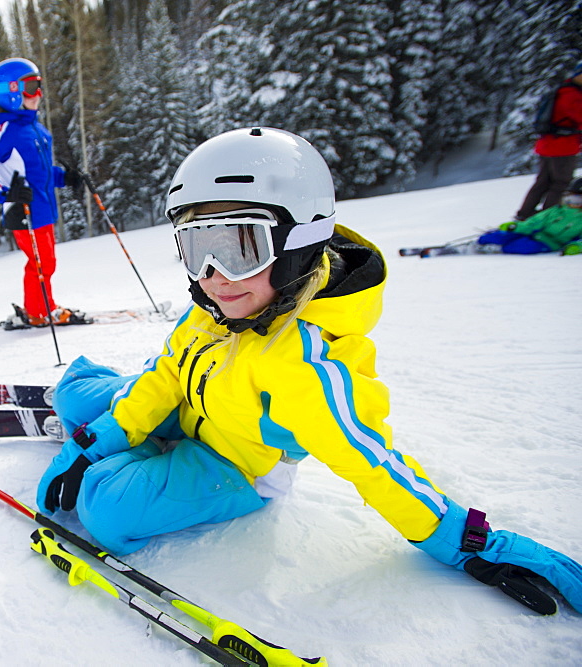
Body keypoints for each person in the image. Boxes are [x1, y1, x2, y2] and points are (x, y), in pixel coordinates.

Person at [36, 127, 582, 615]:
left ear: (299, 243)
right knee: (77, 398)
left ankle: (141, 451)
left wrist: (472, 544)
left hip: (234, 464)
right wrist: (95, 441)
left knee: (104, 508)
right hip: (191, 410)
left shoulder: (307, 368)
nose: (216, 276)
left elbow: (373, 463)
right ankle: (117, 423)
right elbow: (168, 373)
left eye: (241, 246)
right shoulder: (221, 307)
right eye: (198, 247)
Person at [0, 57, 83, 327]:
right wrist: (5, 193)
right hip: (24, 210)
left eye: (39, 85)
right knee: (41, 264)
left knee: (46, 262)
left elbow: (37, 173)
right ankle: (40, 312)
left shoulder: (35, 129)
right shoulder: (6, 130)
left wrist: (66, 177)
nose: (38, 93)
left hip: (42, 207)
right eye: (31, 87)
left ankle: (41, 308)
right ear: (13, 91)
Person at [514, 62, 582, 221]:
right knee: (561, 183)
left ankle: (525, 213)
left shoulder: (562, 91)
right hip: (562, 146)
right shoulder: (572, 95)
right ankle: (548, 217)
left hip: (547, 145)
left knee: (543, 182)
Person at [481, 177, 582, 255]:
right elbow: (535, 222)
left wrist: (576, 247)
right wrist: (516, 227)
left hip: (551, 243)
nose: (572, 204)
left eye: (578, 201)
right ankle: (478, 244)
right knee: (501, 236)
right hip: (535, 232)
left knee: (525, 246)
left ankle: (498, 249)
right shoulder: (557, 210)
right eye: (569, 199)